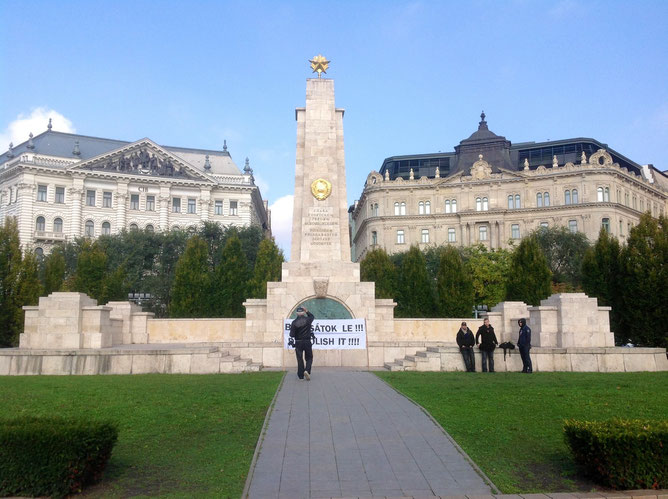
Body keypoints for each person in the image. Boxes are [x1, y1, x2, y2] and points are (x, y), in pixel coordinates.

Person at [289, 306, 315, 380]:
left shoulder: (294, 322)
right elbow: (312, 316)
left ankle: (300, 375)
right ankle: (307, 370)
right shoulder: (308, 320)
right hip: (307, 341)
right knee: (309, 357)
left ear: (297, 314)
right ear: (303, 313)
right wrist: (307, 311)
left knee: (299, 358)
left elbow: (291, 335)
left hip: (298, 342)